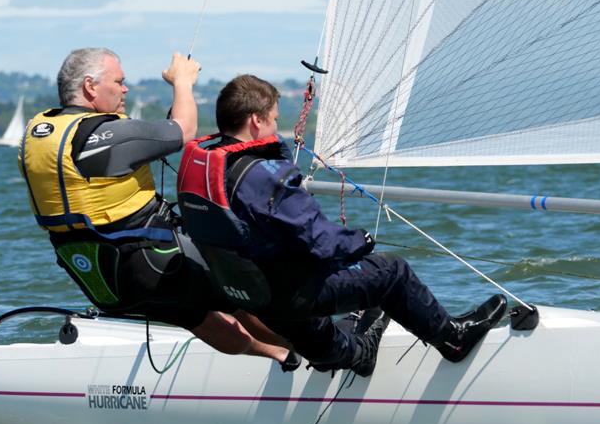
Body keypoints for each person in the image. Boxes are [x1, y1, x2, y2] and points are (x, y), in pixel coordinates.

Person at [177, 74, 507, 376]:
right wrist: (361, 242)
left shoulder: (205, 170)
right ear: (256, 120)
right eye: (275, 119)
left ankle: (343, 355)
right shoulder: (266, 177)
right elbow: (322, 241)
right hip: (289, 293)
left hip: (250, 296)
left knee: (304, 310)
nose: (277, 128)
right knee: (391, 272)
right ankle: (453, 339)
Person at [18, 49, 297, 368]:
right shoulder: (103, 134)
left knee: (196, 316)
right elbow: (183, 129)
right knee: (242, 290)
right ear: (90, 87)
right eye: (119, 82)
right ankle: (317, 351)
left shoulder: (39, 133)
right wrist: (182, 81)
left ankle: (281, 357)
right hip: (150, 261)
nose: (125, 89)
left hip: (101, 277)